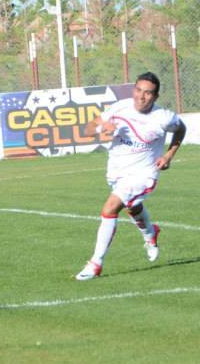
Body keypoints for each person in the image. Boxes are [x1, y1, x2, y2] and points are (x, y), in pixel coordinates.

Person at [75, 72, 187, 280]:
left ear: (156, 96)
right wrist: (101, 129)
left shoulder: (163, 117)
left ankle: (95, 264)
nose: (141, 97)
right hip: (117, 172)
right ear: (133, 90)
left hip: (144, 174)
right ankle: (151, 233)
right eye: (138, 90)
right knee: (132, 207)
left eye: (148, 93)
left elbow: (181, 129)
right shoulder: (120, 107)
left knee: (110, 208)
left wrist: (169, 155)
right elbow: (89, 129)